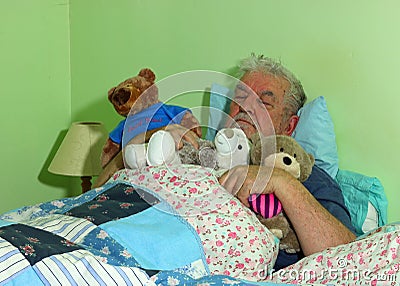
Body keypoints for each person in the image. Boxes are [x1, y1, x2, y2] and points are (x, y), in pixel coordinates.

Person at [159, 54, 356, 270]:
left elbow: (348, 259)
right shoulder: (197, 151)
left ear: (289, 126)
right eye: (239, 100)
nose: (246, 108)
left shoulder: (306, 176)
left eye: (264, 102)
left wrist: (280, 181)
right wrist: (159, 142)